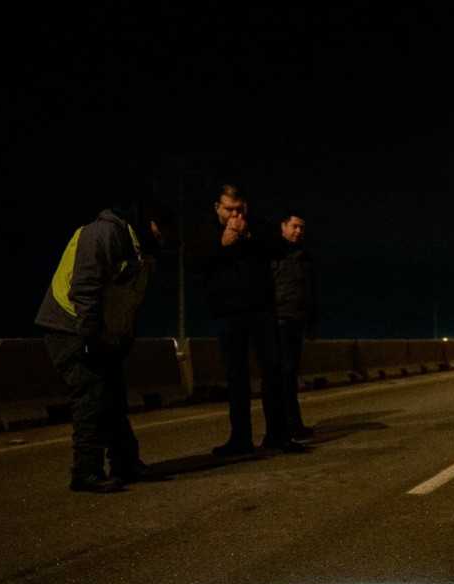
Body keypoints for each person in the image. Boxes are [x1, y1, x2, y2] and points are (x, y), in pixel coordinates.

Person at [35, 200, 177, 493]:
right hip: (69, 326)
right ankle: (85, 472)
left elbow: (131, 301)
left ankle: (125, 463)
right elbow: (85, 288)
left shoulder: (144, 253)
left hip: (103, 332)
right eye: (162, 234)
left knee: (113, 395)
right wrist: (89, 339)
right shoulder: (104, 234)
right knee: (91, 396)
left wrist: (125, 339)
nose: (164, 242)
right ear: (151, 224)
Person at [184, 183, 307, 456]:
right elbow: (192, 262)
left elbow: (279, 247)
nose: (235, 214)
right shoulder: (205, 232)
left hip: (262, 311)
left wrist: (248, 234)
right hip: (227, 313)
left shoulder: (257, 226)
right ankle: (240, 438)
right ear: (218, 208)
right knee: (236, 377)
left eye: (239, 209)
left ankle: (277, 435)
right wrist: (222, 244)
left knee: (273, 373)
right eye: (229, 209)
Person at [271, 211, 318, 441]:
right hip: (280, 317)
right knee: (286, 372)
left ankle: (291, 423)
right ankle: (290, 424)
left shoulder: (304, 257)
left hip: (297, 319)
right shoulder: (274, 252)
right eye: (294, 226)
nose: (298, 231)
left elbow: (310, 290)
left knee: (291, 372)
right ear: (283, 226)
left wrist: (312, 321)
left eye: (302, 228)